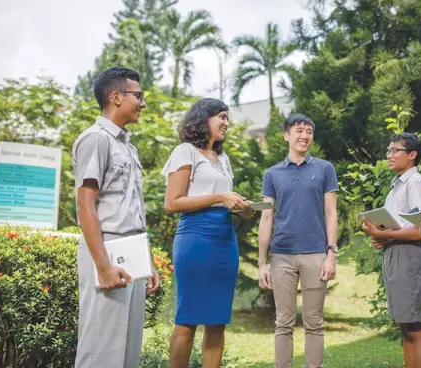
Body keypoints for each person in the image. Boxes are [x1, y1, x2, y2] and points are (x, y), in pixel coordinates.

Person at [73, 67, 160, 368]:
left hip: (132, 251)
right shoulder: (95, 140)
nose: (142, 103)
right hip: (107, 250)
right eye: (138, 96)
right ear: (115, 97)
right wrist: (103, 266)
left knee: (126, 353)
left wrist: (146, 261)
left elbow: (133, 208)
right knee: (101, 350)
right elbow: (86, 206)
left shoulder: (128, 147)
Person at [161, 98, 254, 368]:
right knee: (187, 318)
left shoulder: (223, 159)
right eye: (221, 117)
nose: (226, 123)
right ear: (203, 119)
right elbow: (172, 203)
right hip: (196, 239)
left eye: (227, 118)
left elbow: (222, 200)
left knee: (217, 320)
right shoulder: (185, 151)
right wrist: (219, 196)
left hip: (225, 240)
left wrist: (241, 208)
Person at [258, 113, 339, 368]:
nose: (305, 136)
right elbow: (266, 218)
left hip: (316, 254)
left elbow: (330, 212)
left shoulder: (325, 169)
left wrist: (331, 254)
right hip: (282, 255)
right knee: (283, 322)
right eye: (299, 131)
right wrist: (262, 263)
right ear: (286, 135)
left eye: (309, 132)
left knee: (314, 321)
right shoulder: (272, 174)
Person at [361, 132, 421, 368]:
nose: (389, 155)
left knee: (415, 327)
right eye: (388, 151)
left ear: (412, 155)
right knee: (405, 327)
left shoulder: (416, 184)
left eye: (395, 151)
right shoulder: (396, 186)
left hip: (410, 258)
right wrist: (381, 236)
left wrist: (384, 234)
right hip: (395, 254)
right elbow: (398, 226)